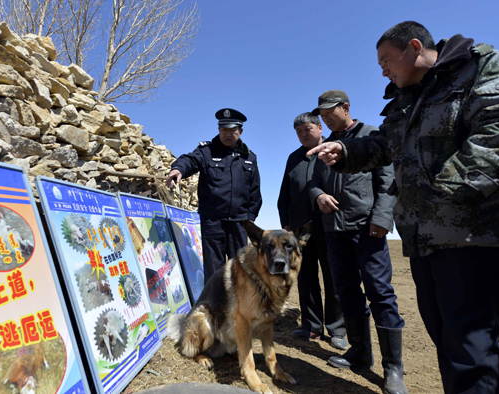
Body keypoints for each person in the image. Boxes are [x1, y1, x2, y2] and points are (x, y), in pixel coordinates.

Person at [308, 21, 499, 394]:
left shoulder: (479, 68)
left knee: (472, 351)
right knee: (449, 345)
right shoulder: (405, 100)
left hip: (474, 236)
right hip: (424, 240)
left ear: (414, 47)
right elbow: (384, 146)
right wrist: (346, 151)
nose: (382, 69)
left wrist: (446, 190)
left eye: (386, 60)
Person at [307, 90, 407, 394]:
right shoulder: (326, 146)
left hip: (367, 229)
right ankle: (360, 353)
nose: (324, 117)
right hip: (334, 230)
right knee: (347, 292)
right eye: (321, 114)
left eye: (329, 112)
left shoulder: (371, 137)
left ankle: (394, 368)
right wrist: (319, 195)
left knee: (380, 292)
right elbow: (313, 182)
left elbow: (388, 183)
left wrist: (381, 218)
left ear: (346, 107)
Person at [277, 112, 348, 350]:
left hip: (330, 227)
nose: (303, 134)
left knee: (334, 277)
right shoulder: (293, 158)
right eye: (298, 132)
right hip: (300, 230)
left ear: (319, 128)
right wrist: (286, 222)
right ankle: (311, 325)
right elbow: (284, 193)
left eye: (307, 129)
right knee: (306, 279)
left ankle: (337, 329)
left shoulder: (334, 151)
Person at [166, 108, 262, 281]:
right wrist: (178, 169)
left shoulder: (249, 157)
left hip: (239, 223)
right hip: (213, 222)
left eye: (232, 130)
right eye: (223, 129)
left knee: (240, 271)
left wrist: (249, 218)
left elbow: (255, 190)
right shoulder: (206, 151)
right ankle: (215, 306)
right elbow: (190, 160)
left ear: (240, 131)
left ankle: (238, 307)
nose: (227, 134)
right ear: (219, 130)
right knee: (214, 271)